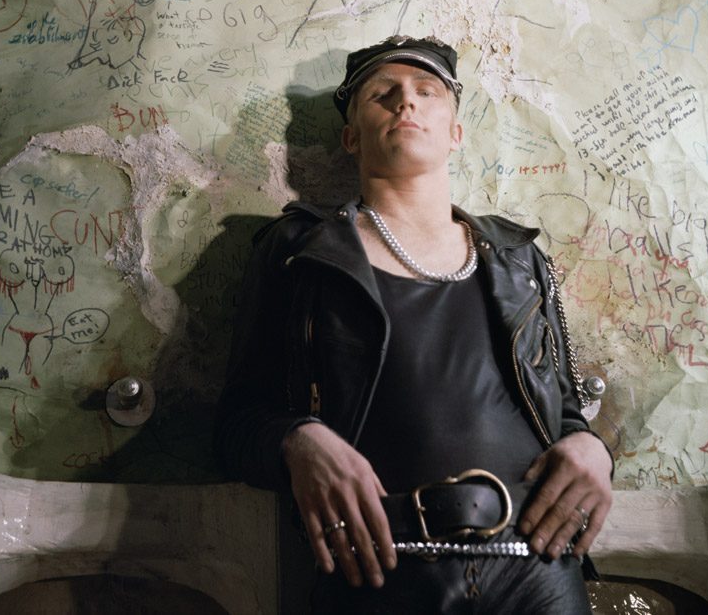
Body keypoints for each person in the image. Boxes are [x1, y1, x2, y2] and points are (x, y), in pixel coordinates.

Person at [214, 35, 613, 613]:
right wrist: (297, 441)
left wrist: (591, 449)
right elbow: (234, 427)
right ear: (351, 137)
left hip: (537, 569)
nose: (407, 103)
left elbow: (565, 409)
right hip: (378, 568)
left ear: (455, 133)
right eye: (384, 94)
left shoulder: (519, 258)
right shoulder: (300, 251)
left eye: (427, 92)